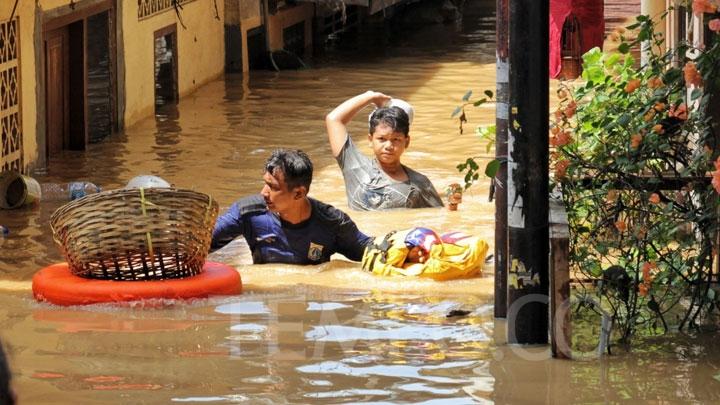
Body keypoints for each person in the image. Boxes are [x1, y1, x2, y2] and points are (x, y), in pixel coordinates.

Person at [211, 149, 373, 264]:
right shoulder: (247, 213)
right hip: (267, 305)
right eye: (265, 184)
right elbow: (199, 244)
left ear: (299, 194)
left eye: (273, 187)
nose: (263, 193)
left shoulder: (332, 223)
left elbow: (369, 251)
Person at [325, 91, 444, 210]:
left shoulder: (420, 183)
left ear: (406, 142)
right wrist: (370, 97)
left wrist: (453, 203)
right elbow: (333, 119)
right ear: (370, 140)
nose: (388, 146)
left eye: (396, 139)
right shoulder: (354, 167)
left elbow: (440, 215)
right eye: (382, 139)